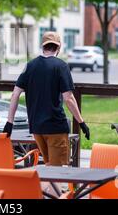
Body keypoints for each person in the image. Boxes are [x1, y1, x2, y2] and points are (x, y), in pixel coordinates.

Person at [5, 31, 90, 167]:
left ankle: (44, 188)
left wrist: (9, 123)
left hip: (37, 128)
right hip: (55, 127)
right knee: (57, 171)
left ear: (43, 46)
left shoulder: (30, 66)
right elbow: (69, 99)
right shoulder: (61, 66)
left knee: (49, 165)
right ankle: (47, 189)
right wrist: (81, 122)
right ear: (59, 47)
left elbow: (15, 94)